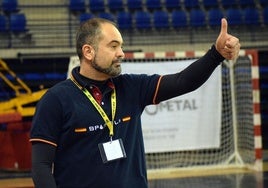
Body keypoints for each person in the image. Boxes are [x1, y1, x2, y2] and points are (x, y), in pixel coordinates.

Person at [30, 17, 240, 188]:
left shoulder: (132, 87)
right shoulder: (55, 100)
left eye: (121, 46)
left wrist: (216, 55)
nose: (121, 53)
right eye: (113, 46)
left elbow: (183, 81)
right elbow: (41, 166)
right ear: (88, 51)